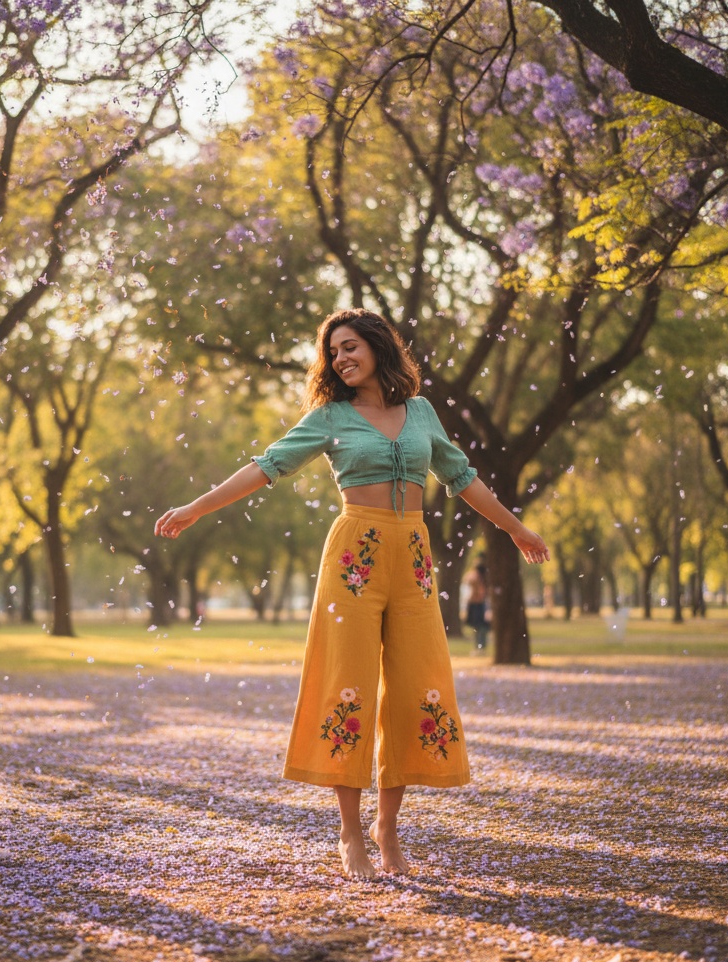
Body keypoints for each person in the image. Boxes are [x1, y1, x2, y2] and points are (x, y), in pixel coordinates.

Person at [155, 309, 549, 879]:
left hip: (413, 562)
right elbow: (266, 467)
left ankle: (388, 828)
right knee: (350, 688)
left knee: (417, 689)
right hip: (354, 560)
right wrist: (196, 508)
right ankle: (350, 831)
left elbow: (461, 477)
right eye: (333, 352)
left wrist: (515, 528)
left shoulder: (421, 413)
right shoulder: (330, 417)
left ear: (379, 346)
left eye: (349, 346)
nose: (340, 358)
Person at [464, 555, 489, 651]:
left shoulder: (480, 577)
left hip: (478, 604)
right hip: (476, 604)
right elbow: (468, 580)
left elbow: (468, 580)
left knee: (480, 627)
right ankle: (479, 646)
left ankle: (481, 646)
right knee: (478, 627)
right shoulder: (477, 576)